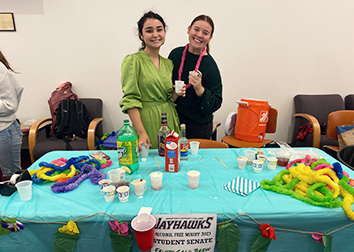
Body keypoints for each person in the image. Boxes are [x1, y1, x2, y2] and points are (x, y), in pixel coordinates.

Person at [119, 11, 182, 150]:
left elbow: (167, 98)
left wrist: (176, 93)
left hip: (169, 120)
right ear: (141, 35)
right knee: (151, 165)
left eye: (159, 29)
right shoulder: (133, 61)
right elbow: (130, 100)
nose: (155, 34)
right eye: (149, 30)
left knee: (171, 162)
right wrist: (141, 133)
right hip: (146, 122)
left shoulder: (168, 64)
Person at [168, 15, 222, 139]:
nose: (199, 35)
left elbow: (216, 103)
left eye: (205, 33)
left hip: (198, 127)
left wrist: (199, 88)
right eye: (196, 29)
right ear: (189, 29)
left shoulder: (210, 65)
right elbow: (164, 86)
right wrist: (174, 91)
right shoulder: (175, 54)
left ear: (210, 38)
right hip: (173, 122)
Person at [0, 50, 24, 180]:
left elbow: (10, 105)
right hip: (7, 128)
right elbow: (18, 90)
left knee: (12, 179)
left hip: (4, 130)